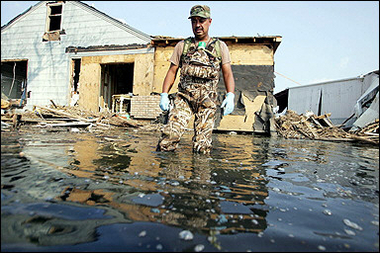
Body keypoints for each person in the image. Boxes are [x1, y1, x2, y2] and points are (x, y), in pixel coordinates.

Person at [157, 4, 235, 154]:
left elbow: (227, 73)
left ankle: (199, 176)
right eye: (194, 21)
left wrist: (230, 95)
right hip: (184, 99)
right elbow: (172, 72)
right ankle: (165, 175)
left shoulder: (220, 47)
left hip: (207, 101)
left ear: (209, 21)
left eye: (201, 20)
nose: (197, 25)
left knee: (202, 147)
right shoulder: (182, 46)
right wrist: (164, 94)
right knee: (169, 139)